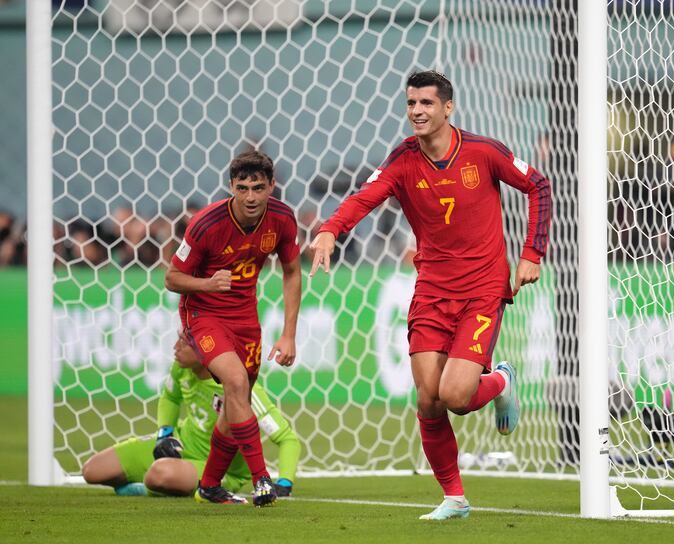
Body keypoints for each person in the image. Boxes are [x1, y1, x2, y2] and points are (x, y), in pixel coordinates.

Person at [309, 71, 551, 520]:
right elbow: (364, 199)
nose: (417, 111)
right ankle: (454, 498)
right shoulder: (402, 159)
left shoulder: (483, 151)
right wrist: (329, 229)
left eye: (425, 103)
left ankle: (501, 381)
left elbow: (538, 184)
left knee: (457, 396)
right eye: (411, 103)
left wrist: (531, 253)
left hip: (481, 290)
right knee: (428, 399)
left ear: (447, 108)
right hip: (432, 291)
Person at [164, 150, 302, 507]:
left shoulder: (283, 220)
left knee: (234, 404)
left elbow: (291, 272)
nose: (251, 197)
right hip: (204, 316)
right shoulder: (206, 223)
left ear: (272, 185)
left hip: (245, 320)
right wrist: (208, 284)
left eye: (258, 187)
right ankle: (261, 480)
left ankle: (209, 486)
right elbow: (172, 278)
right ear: (231, 187)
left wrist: (289, 334)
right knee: (236, 383)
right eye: (243, 188)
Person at [81, 334, 301, 498]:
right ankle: (165, 481)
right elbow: (170, 398)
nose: (175, 347)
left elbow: (288, 439)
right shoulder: (181, 369)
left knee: (159, 473)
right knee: (92, 471)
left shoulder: (239, 387)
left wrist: (284, 483)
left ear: (205, 350)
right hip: (180, 447)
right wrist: (165, 433)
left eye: (183, 343)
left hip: (219, 469)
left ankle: (145, 489)